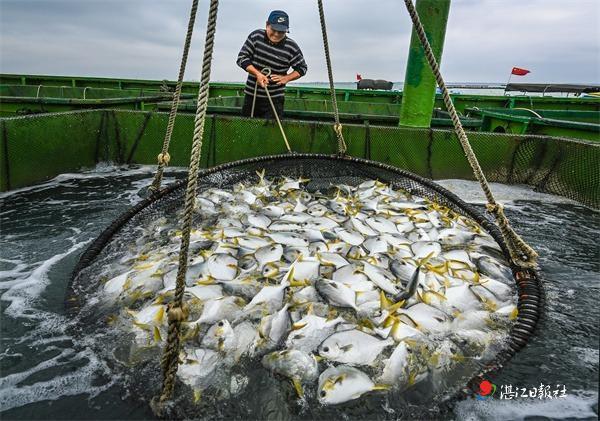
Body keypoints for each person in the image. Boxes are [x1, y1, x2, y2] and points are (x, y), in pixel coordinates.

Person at [236, 10, 307, 119]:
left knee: (270, 133)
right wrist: (258, 74)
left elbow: (302, 68)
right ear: (267, 25)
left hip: (275, 100)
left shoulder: (291, 47)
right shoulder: (256, 36)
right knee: (248, 129)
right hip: (251, 96)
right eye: (274, 30)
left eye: (281, 32)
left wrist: (286, 78)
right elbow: (242, 58)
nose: (277, 34)